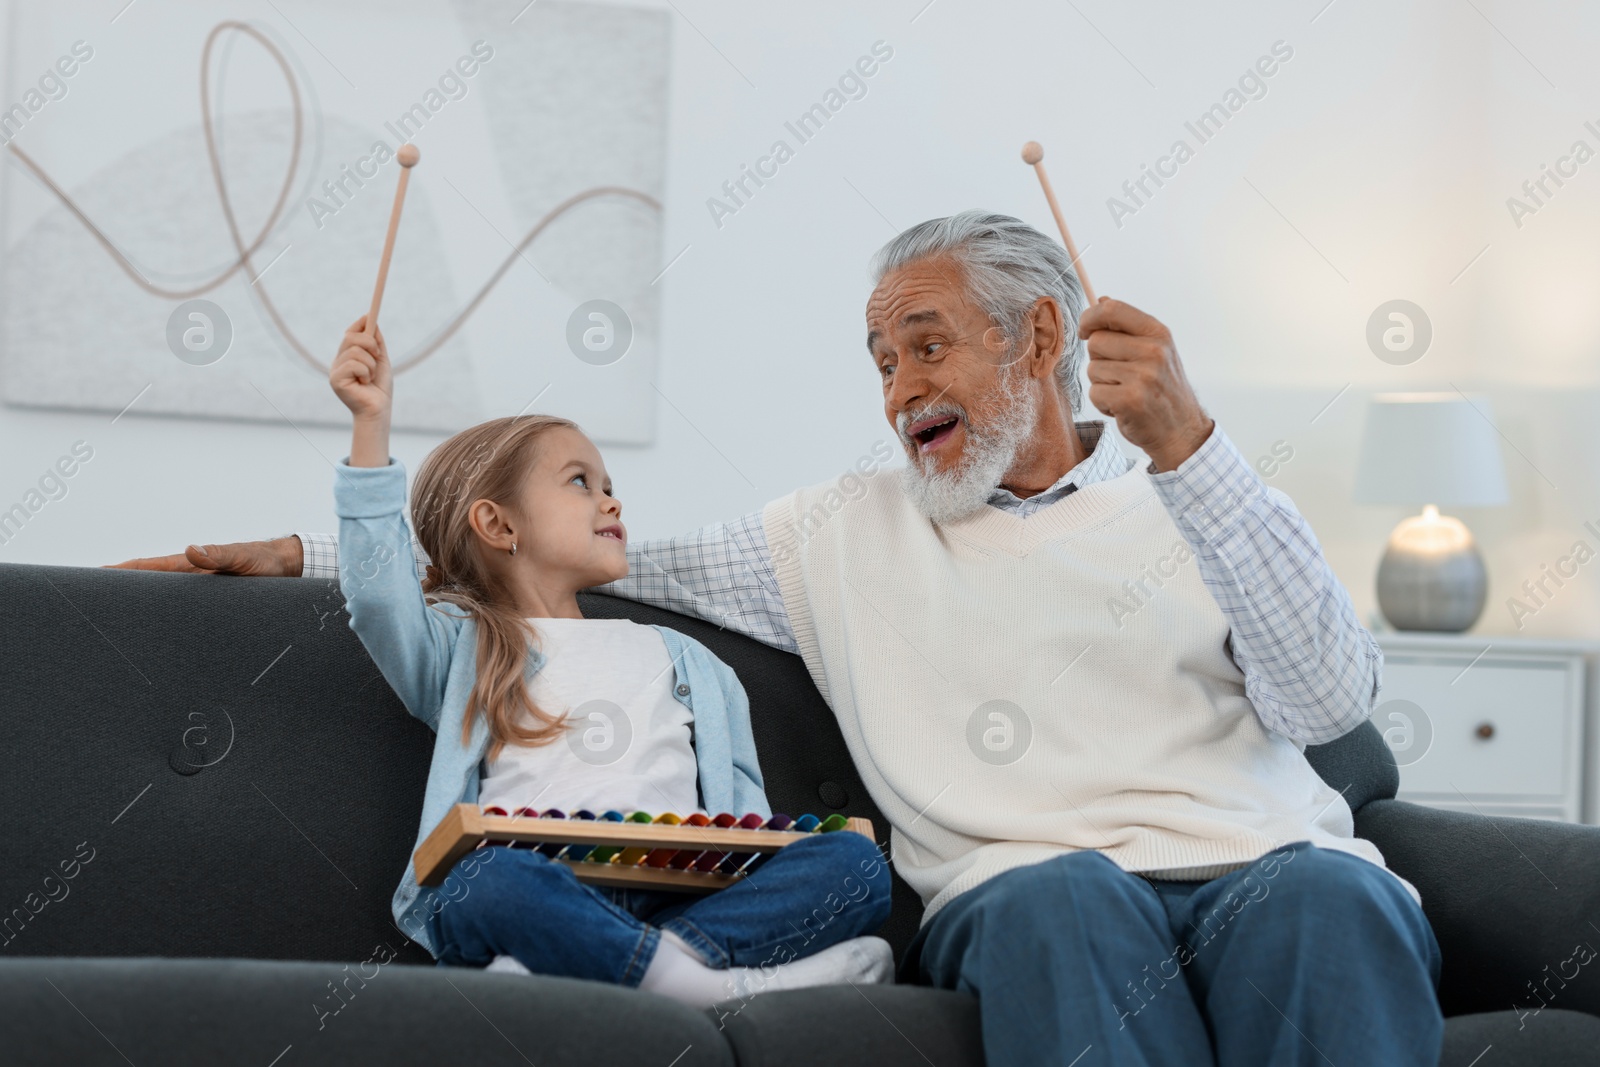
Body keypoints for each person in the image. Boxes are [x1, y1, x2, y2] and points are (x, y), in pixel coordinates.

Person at [118, 213, 1444, 1065]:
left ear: (1042, 339)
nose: (898, 387)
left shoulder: (1194, 497)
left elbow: (1330, 696)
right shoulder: (833, 531)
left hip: (1263, 859)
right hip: (1033, 889)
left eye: (925, 345)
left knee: (1328, 893)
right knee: (1061, 894)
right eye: (879, 359)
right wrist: (305, 548)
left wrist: (1195, 452)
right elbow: (562, 551)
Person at [315, 313, 892, 1007]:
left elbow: (745, 807)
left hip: (678, 897)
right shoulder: (465, 645)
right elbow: (379, 596)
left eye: (609, 481)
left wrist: (753, 873)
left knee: (857, 865)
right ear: (499, 524)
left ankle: (623, 969)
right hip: (534, 881)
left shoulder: (688, 658)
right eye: (579, 481)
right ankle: (710, 986)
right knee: (479, 880)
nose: (611, 496)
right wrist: (370, 426)